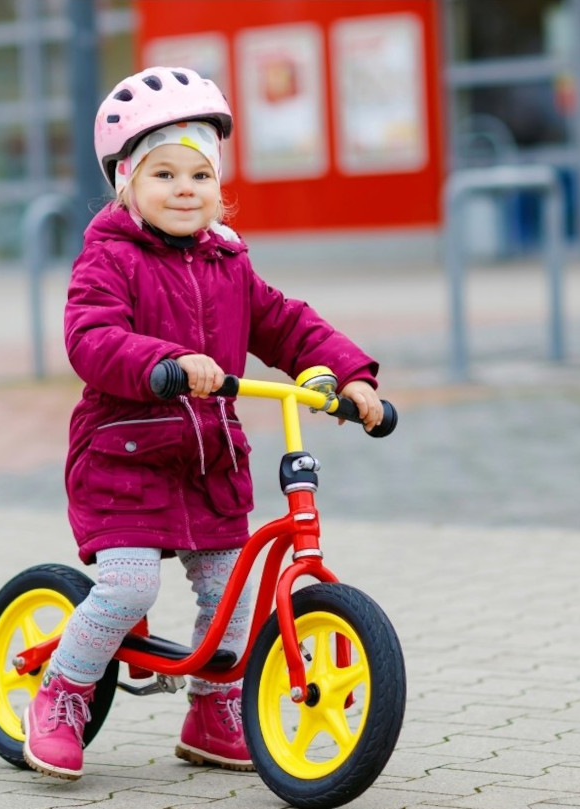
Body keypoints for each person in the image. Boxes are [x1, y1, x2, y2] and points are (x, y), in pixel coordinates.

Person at [23, 66, 384, 781]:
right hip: (123, 460)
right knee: (128, 588)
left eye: (199, 174)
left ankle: (214, 710)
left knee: (234, 591)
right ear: (126, 184)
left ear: (219, 188)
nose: (184, 188)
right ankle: (60, 692)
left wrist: (350, 375)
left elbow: (285, 324)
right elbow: (90, 338)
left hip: (208, 465)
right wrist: (163, 362)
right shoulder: (109, 257)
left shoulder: (229, 264)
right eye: (163, 174)